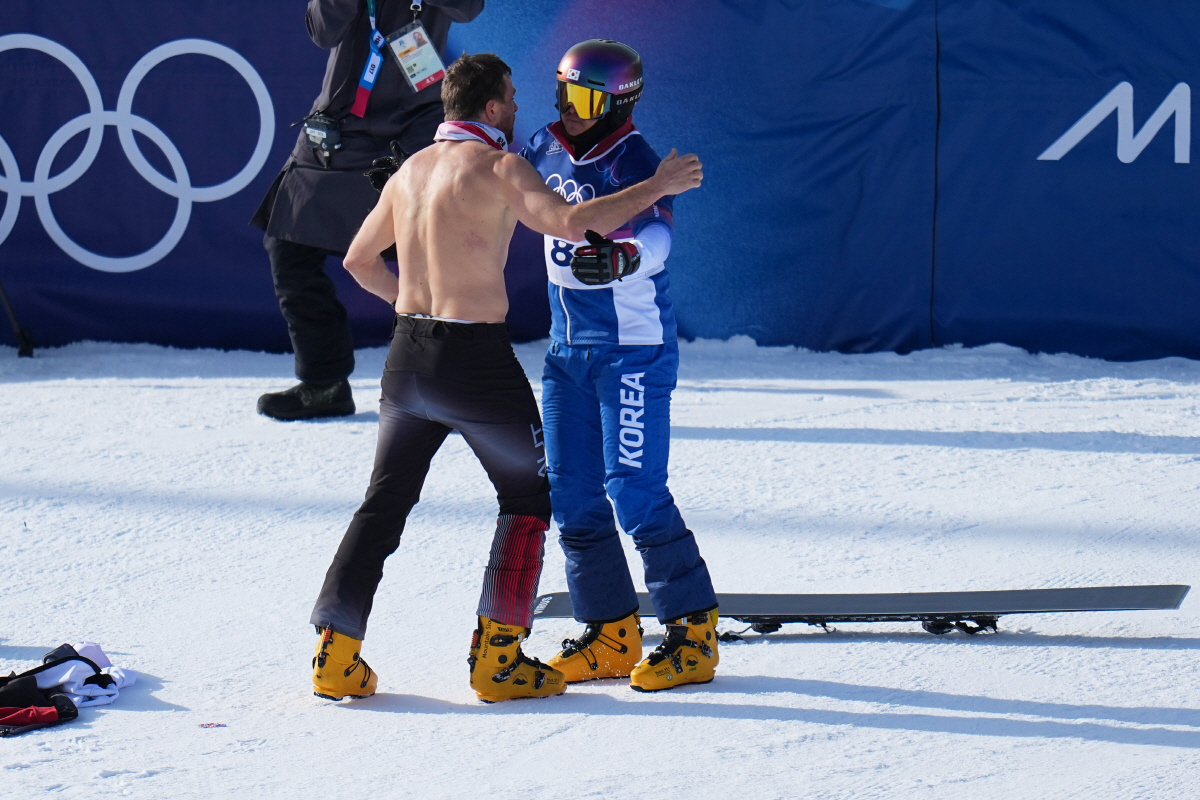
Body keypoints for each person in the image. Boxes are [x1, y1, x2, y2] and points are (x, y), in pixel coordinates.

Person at [307, 52, 704, 703]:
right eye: (513, 97)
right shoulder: (500, 166)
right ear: (491, 108)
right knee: (528, 497)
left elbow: (356, 260)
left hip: (407, 358)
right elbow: (576, 223)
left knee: (382, 503)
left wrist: (418, 302)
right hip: (474, 364)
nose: (523, 107)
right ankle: (498, 657)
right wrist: (658, 185)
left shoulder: (409, 170)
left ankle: (334, 653)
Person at [520, 40, 720, 692]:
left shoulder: (634, 159)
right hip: (565, 354)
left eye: (580, 99)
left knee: (633, 492)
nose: (566, 110)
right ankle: (610, 632)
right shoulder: (542, 148)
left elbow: (659, 233)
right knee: (572, 496)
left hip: (632, 352)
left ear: (616, 103)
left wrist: (625, 259)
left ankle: (693, 634)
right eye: (561, 93)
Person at [251, 0, 484, 421]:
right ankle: (324, 385)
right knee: (288, 246)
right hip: (338, 126)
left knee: (431, 260)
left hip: (415, 124)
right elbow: (322, 30)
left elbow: (468, 8)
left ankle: (448, 387)